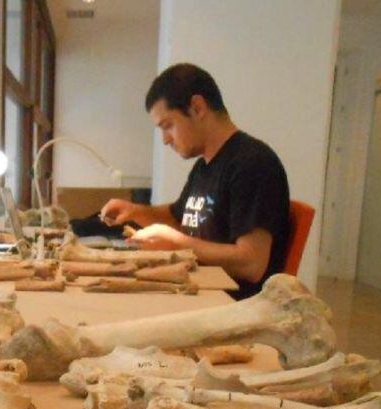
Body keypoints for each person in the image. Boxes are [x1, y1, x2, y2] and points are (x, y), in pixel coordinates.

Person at [101, 64, 291, 298]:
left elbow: (251, 264)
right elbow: (177, 218)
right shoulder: (204, 167)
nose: (165, 139)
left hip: (232, 308)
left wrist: (177, 244)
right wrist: (134, 211)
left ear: (197, 108)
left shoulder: (253, 164)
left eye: (168, 125)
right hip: (199, 293)